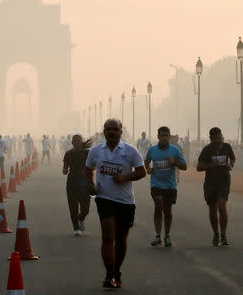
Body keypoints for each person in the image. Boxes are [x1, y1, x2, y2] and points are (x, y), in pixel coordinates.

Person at [85, 119, 146, 288]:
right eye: (108, 129)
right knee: (107, 235)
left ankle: (117, 272)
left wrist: (125, 177)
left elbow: (142, 172)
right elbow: (88, 169)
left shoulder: (130, 151)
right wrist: (91, 185)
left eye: (115, 129)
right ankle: (109, 274)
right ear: (104, 132)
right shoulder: (96, 151)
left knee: (120, 239)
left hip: (125, 200)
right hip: (104, 198)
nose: (112, 132)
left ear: (121, 132)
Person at [145, 126, 187, 247]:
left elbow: (184, 166)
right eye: (161, 135)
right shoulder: (152, 150)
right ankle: (158, 236)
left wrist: (174, 162)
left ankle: (167, 236)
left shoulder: (175, 150)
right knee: (158, 205)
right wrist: (148, 169)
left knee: (167, 211)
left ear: (169, 136)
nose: (163, 137)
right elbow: (146, 161)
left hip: (170, 185)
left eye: (166, 135)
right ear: (158, 137)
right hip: (156, 184)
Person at [197, 127, 236, 246]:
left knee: (222, 207)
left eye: (219, 137)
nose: (217, 140)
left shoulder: (227, 147)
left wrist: (231, 164)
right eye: (215, 138)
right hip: (210, 182)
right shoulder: (207, 150)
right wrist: (210, 165)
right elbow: (199, 167)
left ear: (221, 136)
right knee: (212, 209)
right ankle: (216, 234)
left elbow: (233, 158)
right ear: (210, 138)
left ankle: (223, 235)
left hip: (224, 180)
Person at [62, 134, 91, 236]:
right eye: (75, 140)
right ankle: (76, 227)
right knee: (73, 206)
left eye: (79, 140)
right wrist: (65, 170)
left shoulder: (88, 153)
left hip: (84, 182)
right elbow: (64, 168)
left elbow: (94, 165)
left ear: (81, 142)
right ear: (72, 142)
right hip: (72, 182)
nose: (77, 142)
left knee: (86, 208)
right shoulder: (68, 154)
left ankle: (81, 218)